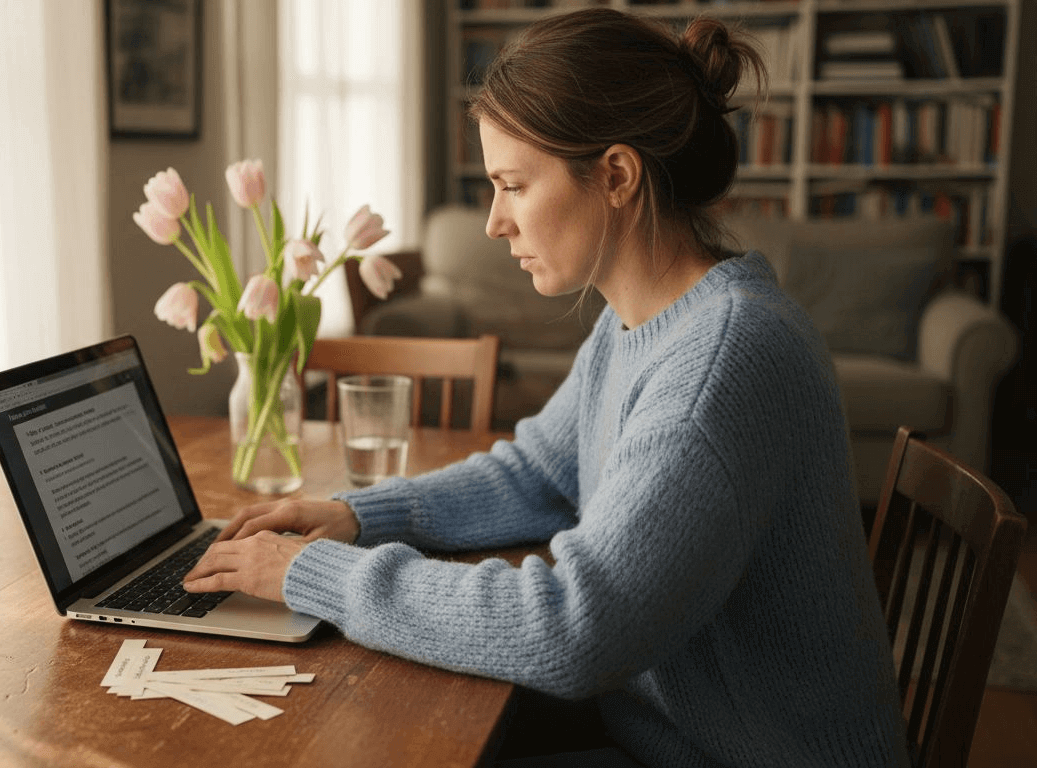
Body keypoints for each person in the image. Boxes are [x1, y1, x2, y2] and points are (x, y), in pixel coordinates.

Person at [184, 8, 910, 767]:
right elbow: (537, 471)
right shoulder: (641, 321)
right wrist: (354, 515)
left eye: (513, 185)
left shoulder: (722, 366)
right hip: (660, 729)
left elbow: (574, 631)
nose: (495, 221)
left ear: (617, 176)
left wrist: (311, 574)